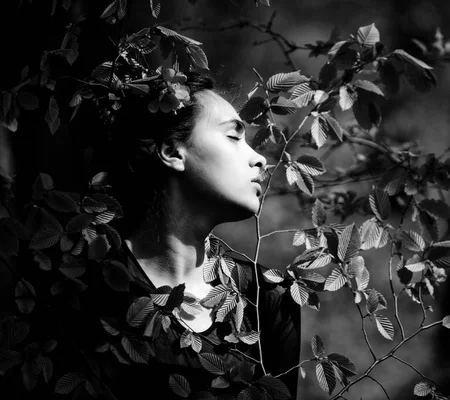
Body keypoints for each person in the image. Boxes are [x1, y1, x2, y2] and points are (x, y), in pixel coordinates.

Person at [80, 72, 301, 399]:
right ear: (172, 151)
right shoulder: (93, 290)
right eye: (233, 136)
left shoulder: (269, 299)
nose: (260, 159)